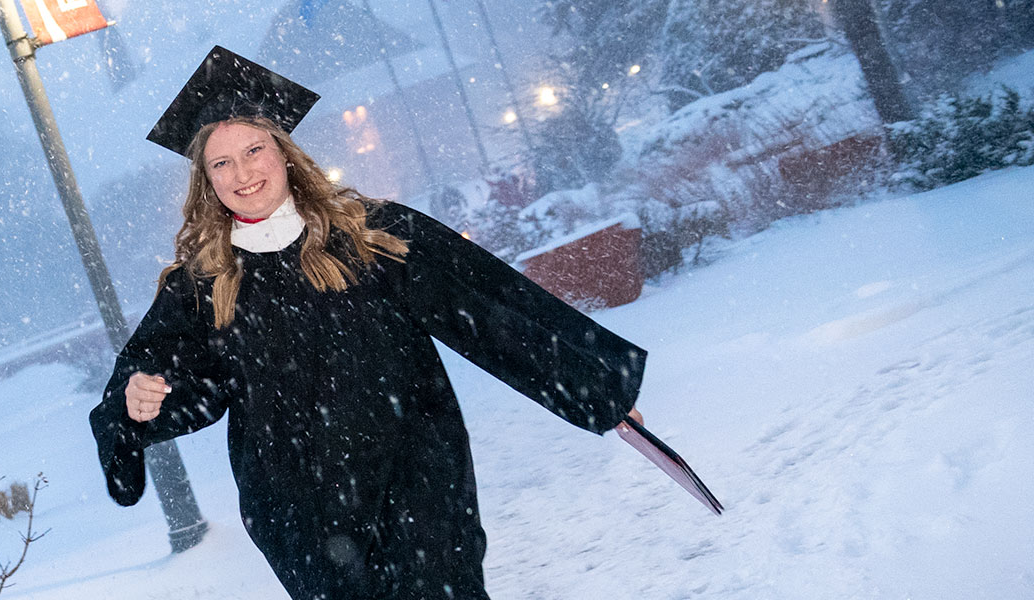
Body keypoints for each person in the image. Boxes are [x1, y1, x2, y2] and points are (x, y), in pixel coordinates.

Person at [90, 46, 647, 600]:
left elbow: (488, 309)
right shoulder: (205, 281)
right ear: (206, 180)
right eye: (221, 162)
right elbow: (180, 382)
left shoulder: (374, 235)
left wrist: (593, 387)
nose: (243, 172)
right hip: (299, 511)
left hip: (418, 477)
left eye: (255, 149)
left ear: (284, 153)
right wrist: (137, 402)